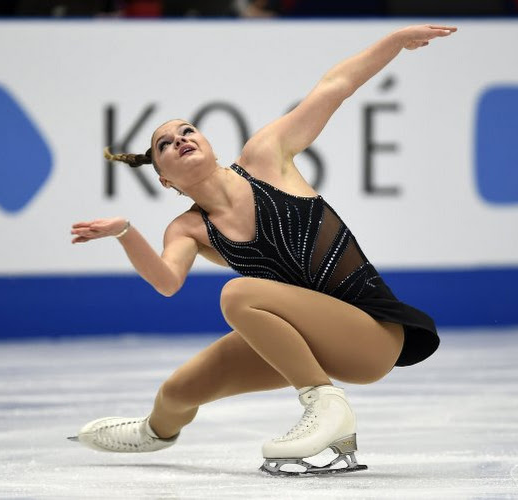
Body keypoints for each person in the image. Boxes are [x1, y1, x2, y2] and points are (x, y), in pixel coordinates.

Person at [69, 23, 457, 475]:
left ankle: (325, 406)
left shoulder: (266, 158)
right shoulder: (189, 228)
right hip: (308, 335)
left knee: (237, 294)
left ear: (208, 143)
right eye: (165, 145)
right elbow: (166, 281)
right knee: (178, 390)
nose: (180, 140)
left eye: (186, 130)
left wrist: (394, 42)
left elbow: (335, 86)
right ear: (166, 180)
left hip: (372, 334)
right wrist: (124, 232)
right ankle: (152, 433)